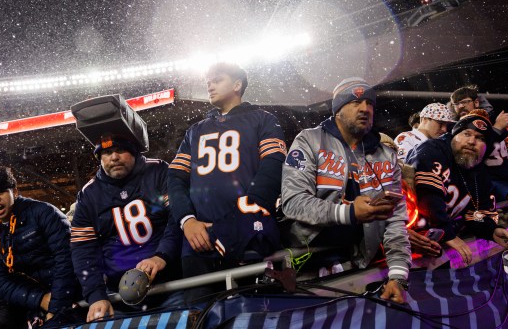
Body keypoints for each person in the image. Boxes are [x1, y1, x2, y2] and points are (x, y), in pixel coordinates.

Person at [281, 77, 411, 304]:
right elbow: (293, 201)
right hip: (306, 264)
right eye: (355, 102)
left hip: (359, 264)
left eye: (370, 104)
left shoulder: (386, 156)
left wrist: (398, 276)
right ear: (338, 109)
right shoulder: (310, 140)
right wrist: (349, 213)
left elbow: (395, 221)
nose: (365, 108)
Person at [167, 62, 287, 304]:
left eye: (217, 79)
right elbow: (175, 178)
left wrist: (242, 219)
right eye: (208, 81)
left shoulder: (263, 119)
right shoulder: (195, 131)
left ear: (237, 85)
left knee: (259, 313)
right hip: (198, 242)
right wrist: (187, 221)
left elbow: (273, 166)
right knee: (200, 315)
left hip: (250, 235)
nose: (209, 84)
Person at [70, 135, 182, 322]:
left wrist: (162, 254)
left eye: (120, 150)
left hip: (170, 284)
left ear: (134, 152)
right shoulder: (89, 195)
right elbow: (83, 251)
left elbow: (177, 216)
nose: (114, 157)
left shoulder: (158, 170)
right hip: (119, 295)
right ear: (99, 159)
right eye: (106, 153)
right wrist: (96, 295)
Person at [406, 110, 508, 264]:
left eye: (480, 138)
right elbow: (427, 194)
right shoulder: (432, 149)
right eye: (467, 134)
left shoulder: (478, 171)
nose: (471, 141)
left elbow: (477, 212)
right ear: (453, 136)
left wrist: (491, 230)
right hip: (403, 239)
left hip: (433, 244)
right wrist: (446, 232)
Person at [0, 166, 78, 325]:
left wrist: (56, 306)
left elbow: (67, 259)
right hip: (38, 307)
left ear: (14, 192)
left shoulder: (44, 213)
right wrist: (40, 299)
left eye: (0, 192)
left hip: (76, 297)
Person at [450, 86, 508, 200]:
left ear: (476, 102)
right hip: (487, 191)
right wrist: (497, 130)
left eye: (464, 102)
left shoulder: (495, 122)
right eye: (456, 104)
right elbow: (470, 163)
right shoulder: (458, 131)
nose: (460, 106)